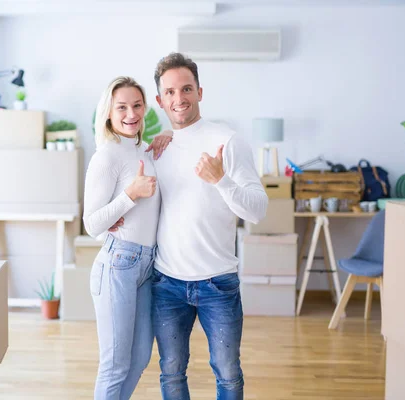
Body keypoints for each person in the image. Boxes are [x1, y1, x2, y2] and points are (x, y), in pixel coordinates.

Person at [147, 52, 268, 399]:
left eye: (186, 89)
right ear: (159, 100)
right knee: (171, 372)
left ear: (200, 92)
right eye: (169, 92)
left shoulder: (227, 141)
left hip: (218, 283)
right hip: (167, 282)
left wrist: (221, 181)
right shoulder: (159, 148)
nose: (178, 99)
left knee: (228, 374)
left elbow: (258, 210)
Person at [83, 76, 171, 400]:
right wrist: (129, 195)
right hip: (118, 263)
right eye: (122, 107)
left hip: (147, 266)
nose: (131, 114)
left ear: (145, 108)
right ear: (109, 112)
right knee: (115, 363)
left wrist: (168, 137)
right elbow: (92, 224)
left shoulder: (142, 150)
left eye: (137, 105)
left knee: (139, 359)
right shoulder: (105, 156)